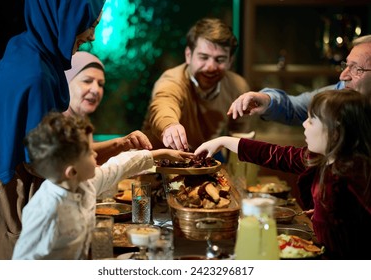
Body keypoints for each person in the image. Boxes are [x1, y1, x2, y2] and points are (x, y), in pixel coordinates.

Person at [0, 0, 105, 260]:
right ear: (65, 16)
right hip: (5, 189)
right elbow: (42, 161)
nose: (91, 35)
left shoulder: (25, 47)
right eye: (89, 24)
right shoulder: (36, 75)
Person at [195, 89, 371, 259]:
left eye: (311, 120)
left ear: (335, 131)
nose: (304, 124)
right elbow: (276, 155)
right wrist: (224, 141)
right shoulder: (323, 158)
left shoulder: (356, 174)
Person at [12, 112, 193, 259]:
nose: (96, 155)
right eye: (90, 152)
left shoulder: (83, 183)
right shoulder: (45, 210)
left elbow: (119, 166)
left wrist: (160, 154)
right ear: (72, 171)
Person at [141, 17, 252, 153]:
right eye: (203, 57)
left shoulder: (238, 87)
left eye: (220, 59)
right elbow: (163, 104)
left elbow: (240, 136)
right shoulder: (172, 80)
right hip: (156, 162)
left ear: (230, 61)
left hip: (203, 160)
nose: (211, 67)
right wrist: (170, 126)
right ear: (188, 55)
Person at [228, 35, 371, 126]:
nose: (343, 76)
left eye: (356, 69)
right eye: (346, 66)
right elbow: (295, 107)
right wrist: (266, 99)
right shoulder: (340, 91)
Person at [64, 51, 152, 164]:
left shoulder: (82, 120)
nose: (96, 90)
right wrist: (120, 144)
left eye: (100, 84)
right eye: (87, 81)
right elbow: (73, 156)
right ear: (65, 82)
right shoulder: (54, 124)